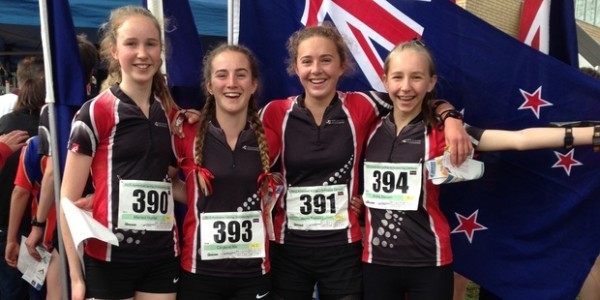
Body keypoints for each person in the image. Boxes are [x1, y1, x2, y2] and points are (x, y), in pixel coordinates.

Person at [360, 39, 599, 300]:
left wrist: (592, 134)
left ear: (431, 83)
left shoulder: (446, 134)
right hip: (376, 262)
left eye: (416, 77)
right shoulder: (366, 126)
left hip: (429, 263)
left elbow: (520, 140)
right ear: (384, 81)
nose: (406, 87)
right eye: (398, 77)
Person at [259, 24, 471, 300]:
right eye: (307, 61)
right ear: (295, 68)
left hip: (343, 249)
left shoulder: (363, 104)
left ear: (342, 66)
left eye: (326, 60)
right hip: (289, 249)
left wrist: (451, 116)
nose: (316, 69)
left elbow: (411, 97)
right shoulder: (274, 112)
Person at [59, 6, 185, 300]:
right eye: (131, 44)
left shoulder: (170, 114)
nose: (142, 53)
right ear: (114, 51)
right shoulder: (95, 111)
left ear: (160, 51)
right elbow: (67, 201)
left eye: (151, 44)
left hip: (161, 256)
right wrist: (76, 277)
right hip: (108, 259)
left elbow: (168, 181)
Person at [173, 43, 275, 300]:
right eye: (222, 75)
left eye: (241, 75)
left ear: (253, 85)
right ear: (209, 85)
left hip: (253, 272)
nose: (232, 83)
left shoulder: (272, 139)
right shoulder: (186, 134)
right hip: (199, 271)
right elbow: (162, 179)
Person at [0, 55, 45, 300]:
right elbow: (22, 189)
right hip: (35, 225)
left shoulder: (6, 122)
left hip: (6, 223)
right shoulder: (48, 128)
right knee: (37, 290)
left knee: (10, 292)